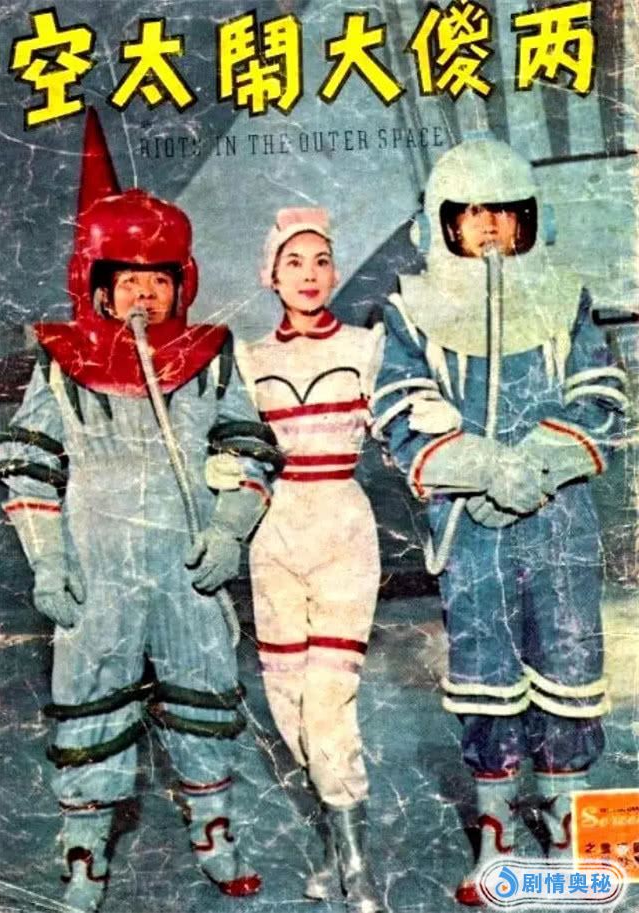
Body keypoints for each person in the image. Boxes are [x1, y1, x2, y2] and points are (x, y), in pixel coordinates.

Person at [0, 108, 279, 912]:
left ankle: (214, 830)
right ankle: (84, 847)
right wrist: (49, 561)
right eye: (128, 279)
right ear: (96, 284)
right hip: (97, 568)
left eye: (158, 279)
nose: (144, 293)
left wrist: (228, 531)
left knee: (203, 694)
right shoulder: (62, 366)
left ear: (183, 281)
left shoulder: (211, 357)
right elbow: (28, 462)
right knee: (90, 698)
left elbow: (248, 444)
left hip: (187, 565)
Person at [372, 138, 628, 906]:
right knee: (486, 675)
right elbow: (401, 407)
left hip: (558, 520)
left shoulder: (564, 295)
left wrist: (538, 467)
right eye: (472, 212)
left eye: (506, 213)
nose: (490, 227)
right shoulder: (411, 308)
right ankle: (496, 830)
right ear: (442, 221)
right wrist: (481, 469)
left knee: (568, 666)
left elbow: (601, 395)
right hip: (471, 524)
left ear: (530, 220)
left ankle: (568, 826)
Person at [236, 208, 385, 913]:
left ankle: (357, 864)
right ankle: (335, 843)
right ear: (271, 275)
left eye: (321, 260)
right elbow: (236, 449)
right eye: (293, 262)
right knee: (288, 704)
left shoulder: (366, 347)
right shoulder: (248, 359)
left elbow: (401, 425)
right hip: (274, 535)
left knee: (328, 702)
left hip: (343, 528)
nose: (309, 274)